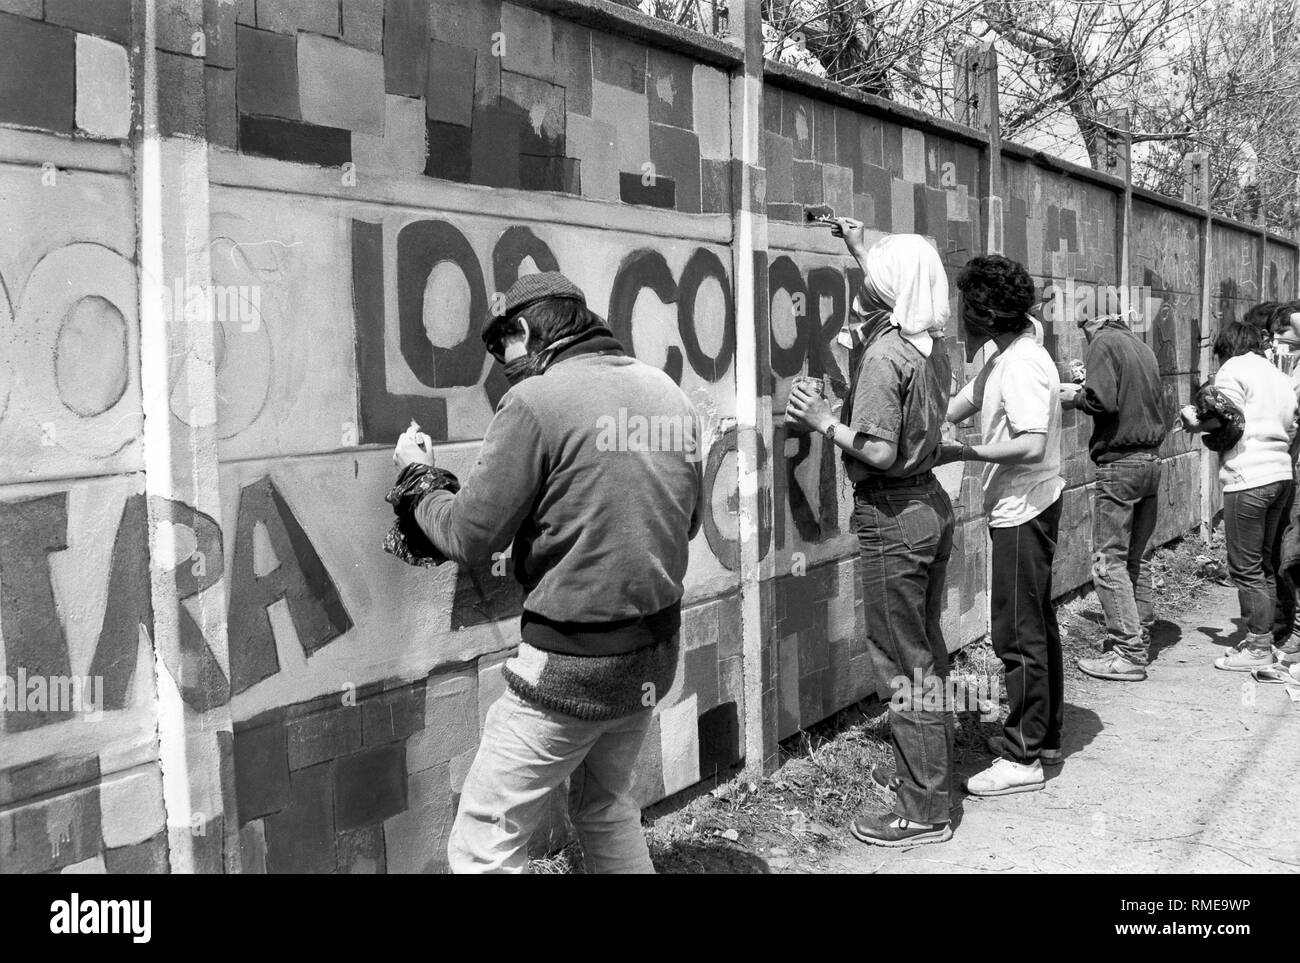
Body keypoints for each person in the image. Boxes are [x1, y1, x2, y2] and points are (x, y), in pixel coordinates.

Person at [394, 271, 703, 873]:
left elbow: (468, 535)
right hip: (653, 653)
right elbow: (685, 524)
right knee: (607, 807)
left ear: (528, 331)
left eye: (500, 346)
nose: (501, 365)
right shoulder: (668, 392)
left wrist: (417, 480)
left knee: (486, 838)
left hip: (569, 668)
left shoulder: (535, 402)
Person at [787, 230, 956, 847]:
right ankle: (935, 780)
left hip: (892, 513)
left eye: (873, 276)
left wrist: (822, 421)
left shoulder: (885, 356)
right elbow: (901, 284)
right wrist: (865, 249)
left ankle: (923, 810)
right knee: (924, 653)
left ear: (886, 288)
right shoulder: (929, 345)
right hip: (930, 508)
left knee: (902, 663)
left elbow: (880, 450)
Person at [940, 254, 1065, 796]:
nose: (956, 314)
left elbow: (1031, 443)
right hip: (1020, 505)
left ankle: (1023, 758)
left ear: (985, 312)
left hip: (1023, 508)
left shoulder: (1025, 364)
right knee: (1034, 622)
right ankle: (1043, 736)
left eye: (964, 304)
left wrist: (963, 453)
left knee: (1017, 632)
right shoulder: (1003, 352)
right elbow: (963, 403)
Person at [1182, 320, 1299, 671]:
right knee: (1262, 562)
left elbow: (1226, 420)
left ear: (1226, 347)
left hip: (1248, 477)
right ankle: (1264, 638)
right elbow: (1292, 425)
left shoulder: (1234, 369)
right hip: (1281, 474)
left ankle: (1258, 646)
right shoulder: (1277, 373)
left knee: (1245, 566)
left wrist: (1194, 422)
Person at [1061, 310, 1169, 682]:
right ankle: (1140, 634)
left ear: (1095, 321)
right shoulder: (1141, 346)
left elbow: (1100, 402)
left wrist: (1074, 395)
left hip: (1120, 464)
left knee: (1108, 562)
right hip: (1151, 462)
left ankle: (1128, 652)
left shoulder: (1104, 343)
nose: (1085, 336)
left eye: (1083, 327)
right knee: (1133, 559)